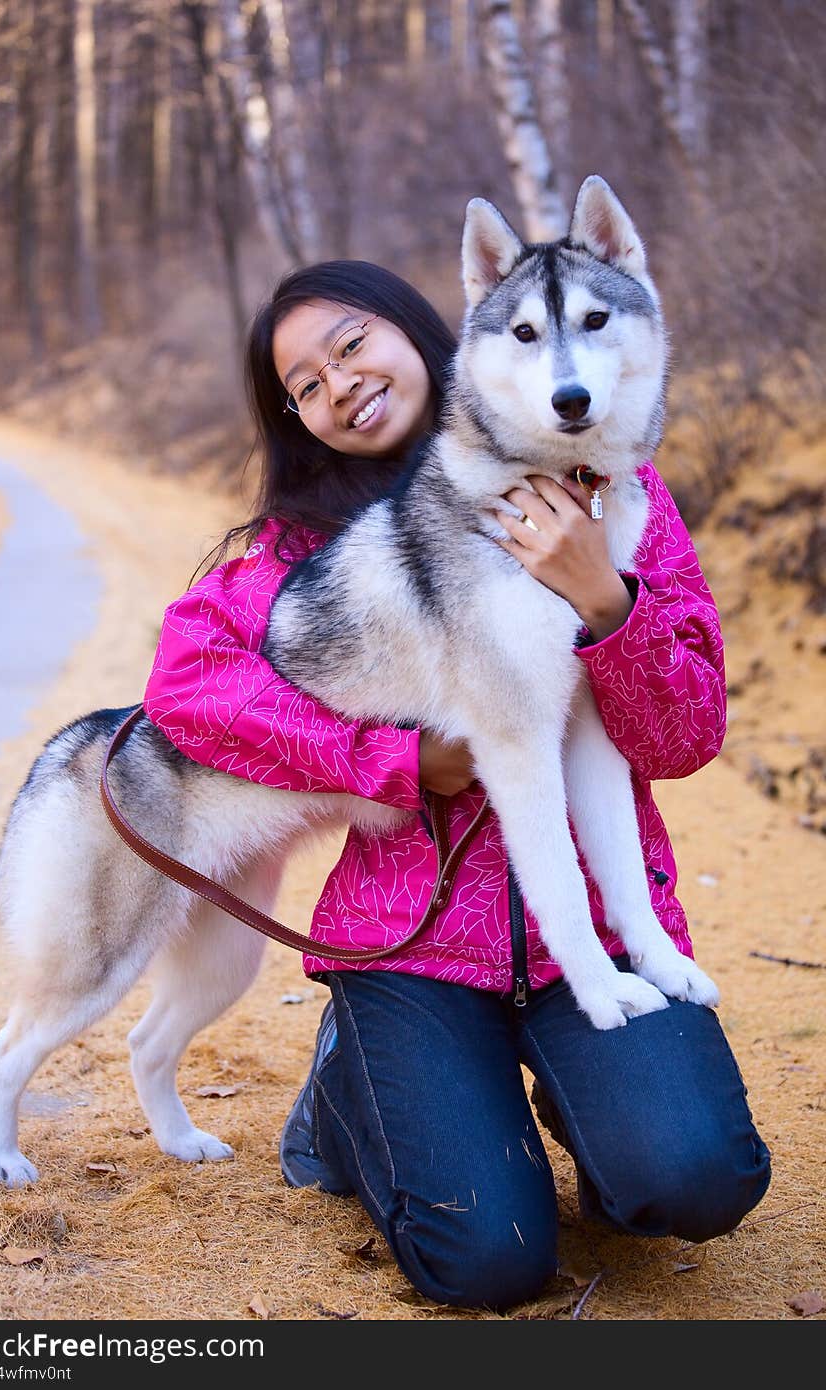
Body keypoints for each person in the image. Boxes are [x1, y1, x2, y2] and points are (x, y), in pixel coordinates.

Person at [142, 259, 771, 1311]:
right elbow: (186, 687)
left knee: (699, 1177)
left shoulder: (611, 484)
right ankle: (350, 1101)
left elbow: (685, 731)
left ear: (423, 328)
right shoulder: (291, 551)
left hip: (595, 942)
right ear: (296, 417)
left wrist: (600, 594)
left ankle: (588, 1104)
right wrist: (395, 760)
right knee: (487, 1259)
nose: (337, 384)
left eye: (350, 345)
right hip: (412, 944)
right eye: (304, 383)